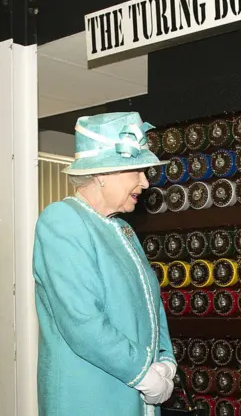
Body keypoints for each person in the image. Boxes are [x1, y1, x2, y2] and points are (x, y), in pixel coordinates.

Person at [33, 112, 176, 416]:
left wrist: (166, 360)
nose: (145, 182)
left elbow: (153, 304)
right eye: (136, 171)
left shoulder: (123, 229)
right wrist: (143, 372)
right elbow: (83, 321)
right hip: (89, 398)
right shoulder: (62, 220)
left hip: (135, 396)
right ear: (101, 174)